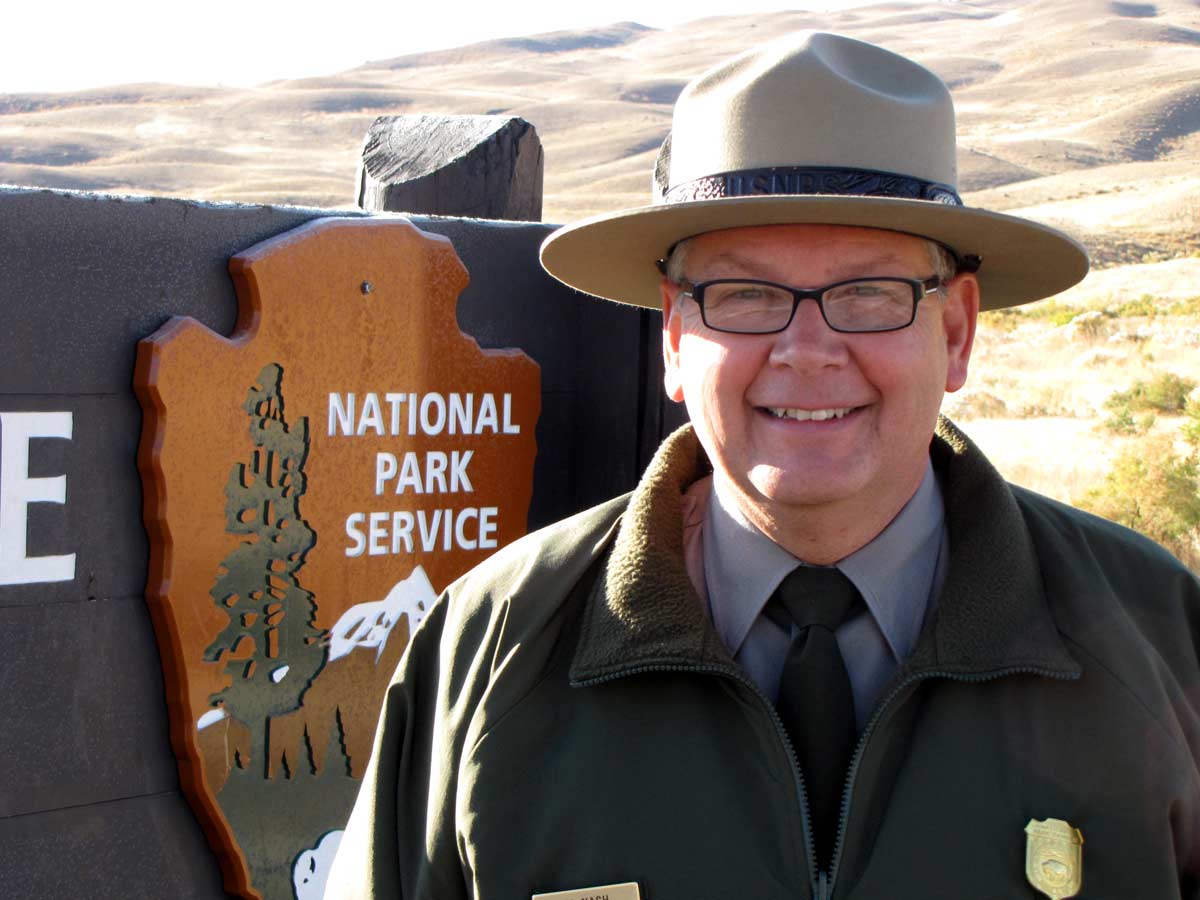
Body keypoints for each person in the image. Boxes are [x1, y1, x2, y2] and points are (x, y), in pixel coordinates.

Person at [327, 32, 1200, 900]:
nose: (807, 351)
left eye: (869, 292)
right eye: (745, 295)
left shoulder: (1157, 641)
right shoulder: (495, 649)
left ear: (957, 332)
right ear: (674, 337)